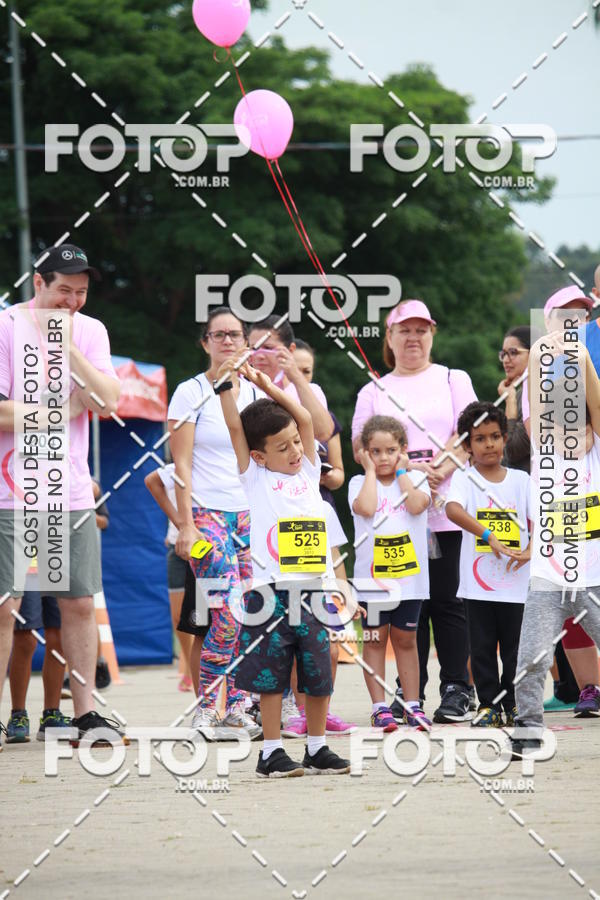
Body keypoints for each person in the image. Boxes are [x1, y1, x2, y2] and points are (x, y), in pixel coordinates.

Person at [0, 244, 124, 749]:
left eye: (81, 292)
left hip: (69, 492)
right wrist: (63, 411)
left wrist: (68, 348)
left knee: (77, 602)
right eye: (63, 291)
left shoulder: (90, 331)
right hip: (10, 491)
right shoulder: (6, 326)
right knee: (6, 607)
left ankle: (86, 713)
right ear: (39, 283)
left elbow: (108, 400)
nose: (72, 301)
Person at [217, 356, 350, 777]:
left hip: (314, 590)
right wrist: (226, 387)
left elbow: (306, 420)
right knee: (271, 675)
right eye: (283, 447)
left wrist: (269, 386)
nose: (295, 451)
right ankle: (271, 752)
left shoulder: (309, 471)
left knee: (318, 670)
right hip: (270, 592)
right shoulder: (254, 477)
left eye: (296, 443)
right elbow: (235, 428)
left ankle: (317, 747)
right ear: (258, 456)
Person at [351, 299, 477, 723]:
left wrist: (439, 469)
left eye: (422, 329)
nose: (413, 337)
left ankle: (458, 688)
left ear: (432, 335)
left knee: (448, 600)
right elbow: (360, 447)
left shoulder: (452, 378)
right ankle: (412, 694)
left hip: (445, 506)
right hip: (398, 515)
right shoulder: (373, 390)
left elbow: (470, 429)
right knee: (410, 607)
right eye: (404, 330)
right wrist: (407, 470)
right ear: (389, 337)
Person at [168, 306, 261, 740]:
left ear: (246, 342)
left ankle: (238, 705)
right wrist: (185, 525)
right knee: (225, 611)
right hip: (206, 514)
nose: (227, 341)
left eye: (234, 334)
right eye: (218, 334)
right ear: (205, 343)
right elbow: (180, 464)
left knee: (249, 613)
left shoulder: (256, 392)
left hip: (250, 515)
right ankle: (207, 708)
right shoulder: (189, 392)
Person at [512, 339, 600, 757]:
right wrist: (538, 353)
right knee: (531, 659)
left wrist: (583, 359)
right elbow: (533, 397)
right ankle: (528, 729)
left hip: (594, 579)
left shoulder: (596, 455)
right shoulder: (542, 454)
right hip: (547, 580)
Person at [445, 402, 530, 727]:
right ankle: (489, 706)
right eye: (480, 439)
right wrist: (488, 535)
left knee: (515, 649)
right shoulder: (464, 479)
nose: (489, 444)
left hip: (516, 585)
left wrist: (531, 549)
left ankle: (516, 704)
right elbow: (453, 510)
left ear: (505, 438)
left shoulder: (521, 480)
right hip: (477, 587)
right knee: (481, 649)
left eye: (495, 436)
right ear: (467, 445)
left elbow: (541, 520)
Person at [349, 415, 431, 731]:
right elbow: (367, 508)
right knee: (375, 641)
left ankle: (412, 705)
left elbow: (416, 506)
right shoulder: (359, 483)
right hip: (373, 582)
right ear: (364, 453)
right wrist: (370, 471)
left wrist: (402, 473)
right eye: (376, 451)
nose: (383, 457)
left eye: (391, 450)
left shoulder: (415, 479)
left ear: (403, 450)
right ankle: (379, 707)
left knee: (406, 640)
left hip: (409, 581)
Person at [144, 463, 193, 692]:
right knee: (179, 617)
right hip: (178, 547)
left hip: (208, 546)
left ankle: (209, 671)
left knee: (209, 616)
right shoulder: (175, 469)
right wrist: (179, 527)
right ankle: (190, 666)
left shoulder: (216, 465)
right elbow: (152, 482)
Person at [247, 317, 334, 442]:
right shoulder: (242, 388)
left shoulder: (309, 390)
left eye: (268, 348)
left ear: (290, 350)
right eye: (254, 348)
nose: (259, 355)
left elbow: (323, 433)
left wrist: (296, 376)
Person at [5, 589, 69, 743]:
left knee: (58, 634)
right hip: (26, 574)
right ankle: (18, 715)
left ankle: (51, 715)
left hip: (55, 573)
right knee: (26, 636)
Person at [498, 326, 532, 473]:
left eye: (513, 353)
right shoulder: (519, 395)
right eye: (503, 354)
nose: (506, 360)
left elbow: (512, 450)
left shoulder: (545, 393)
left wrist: (509, 401)